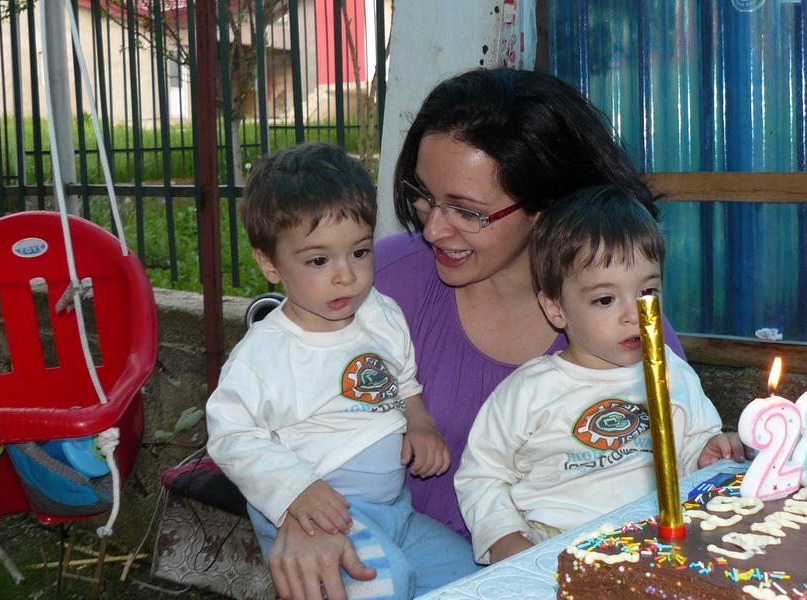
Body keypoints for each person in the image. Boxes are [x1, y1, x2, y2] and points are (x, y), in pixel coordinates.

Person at [269, 67, 687, 600]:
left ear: (546, 206)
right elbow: (263, 404)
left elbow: (675, 471)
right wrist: (294, 511)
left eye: (467, 211)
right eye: (424, 195)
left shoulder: (625, 328)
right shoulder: (373, 286)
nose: (432, 228)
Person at [205, 142, 479, 600]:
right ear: (270, 264)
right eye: (318, 260)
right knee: (381, 584)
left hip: (396, 512)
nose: (346, 276)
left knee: (473, 578)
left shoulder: (380, 313)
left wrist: (420, 422)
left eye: (359, 252)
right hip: (319, 515)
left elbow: (404, 379)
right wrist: (296, 490)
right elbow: (231, 436)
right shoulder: (264, 354)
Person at [454, 185, 743, 564]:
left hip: (658, 546)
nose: (634, 314)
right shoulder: (528, 391)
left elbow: (691, 449)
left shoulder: (672, 373)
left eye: (648, 291)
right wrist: (505, 539)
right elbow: (481, 476)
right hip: (556, 550)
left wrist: (708, 452)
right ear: (556, 309)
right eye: (605, 299)